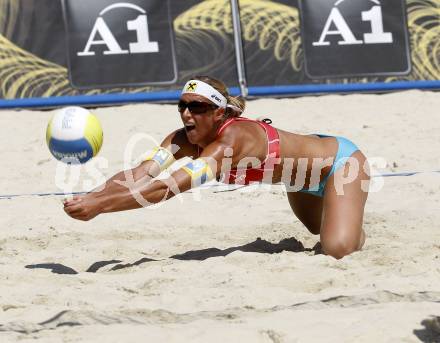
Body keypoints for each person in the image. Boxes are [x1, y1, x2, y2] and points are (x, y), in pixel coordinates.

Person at [64, 76, 370, 259]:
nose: (186, 113)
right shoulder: (181, 139)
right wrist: (90, 196)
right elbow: (141, 174)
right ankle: (345, 217)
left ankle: (353, 225)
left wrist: (100, 207)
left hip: (340, 165)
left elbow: (167, 188)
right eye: (182, 105)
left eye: (196, 107)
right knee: (318, 230)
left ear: (219, 112)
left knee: (337, 249)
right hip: (300, 181)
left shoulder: (231, 141)